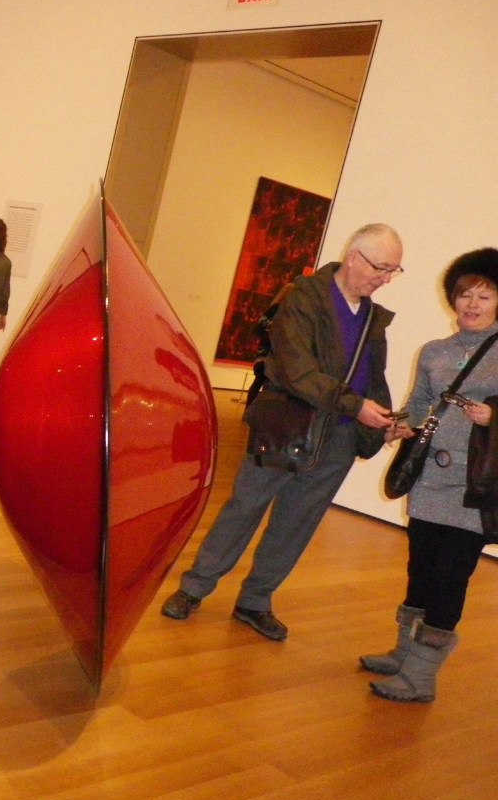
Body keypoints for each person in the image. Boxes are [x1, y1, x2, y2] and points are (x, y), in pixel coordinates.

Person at [160, 223, 404, 640]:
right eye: (380, 268)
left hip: (339, 437)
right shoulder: (303, 298)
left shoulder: (372, 318)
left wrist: (384, 420)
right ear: (354, 257)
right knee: (245, 507)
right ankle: (194, 588)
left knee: (297, 523)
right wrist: (355, 406)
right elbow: (297, 371)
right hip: (286, 425)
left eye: (393, 270)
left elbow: (372, 377)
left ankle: (255, 601)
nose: (385, 279)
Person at [362, 248, 498, 702]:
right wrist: (402, 424)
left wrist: (493, 416)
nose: (472, 304)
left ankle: (420, 678)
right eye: (464, 294)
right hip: (428, 480)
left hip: (473, 486)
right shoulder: (435, 351)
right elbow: (420, 403)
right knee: (420, 568)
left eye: (484, 296)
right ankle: (404, 654)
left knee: (449, 578)